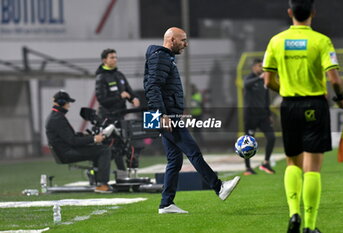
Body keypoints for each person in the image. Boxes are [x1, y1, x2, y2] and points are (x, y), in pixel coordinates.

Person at [263, 1, 343, 232]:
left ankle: (293, 214)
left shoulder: (276, 41)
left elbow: (268, 80)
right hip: (315, 104)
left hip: (289, 104)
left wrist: (287, 90)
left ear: (290, 12)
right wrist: (342, 98)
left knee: (293, 161)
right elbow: (334, 79)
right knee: (313, 167)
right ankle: (310, 226)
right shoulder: (321, 41)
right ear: (313, 13)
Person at [143, 27, 241, 214]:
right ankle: (219, 187)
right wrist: (162, 114)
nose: (186, 44)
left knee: (174, 160)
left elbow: (161, 88)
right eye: (183, 40)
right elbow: (152, 87)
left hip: (167, 114)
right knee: (193, 151)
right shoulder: (160, 57)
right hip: (166, 116)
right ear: (171, 40)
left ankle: (166, 204)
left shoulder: (165, 57)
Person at [45, 90, 113, 193]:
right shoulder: (57, 119)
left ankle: (97, 181)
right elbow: (73, 141)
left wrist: (86, 136)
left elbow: (69, 137)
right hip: (66, 153)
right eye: (68, 103)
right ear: (62, 102)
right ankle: (102, 185)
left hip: (65, 150)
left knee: (98, 149)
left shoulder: (56, 116)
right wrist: (94, 139)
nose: (69, 106)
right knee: (104, 150)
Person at [95, 48, 140, 171]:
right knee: (111, 146)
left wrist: (134, 98)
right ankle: (100, 173)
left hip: (120, 116)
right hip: (107, 117)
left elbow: (129, 91)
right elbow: (102, 100)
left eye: (115, 57)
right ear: (104, 60)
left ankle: (123, 173)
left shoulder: (119, 75)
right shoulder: (101, 77)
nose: (115, 59)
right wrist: (119, 96)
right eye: (111, 57)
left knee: (122, 145)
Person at [243, 58, 276, 175]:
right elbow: (245, 85)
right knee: (248, 142)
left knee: (271, 137)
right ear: (253, 67)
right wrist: (259, 78)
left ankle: (266, 162)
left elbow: (266, 98)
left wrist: (269, 114)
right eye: (258, 66)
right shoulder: (249, 78)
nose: (261, 68)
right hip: (251, 116)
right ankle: (248, 168)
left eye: (262, 66)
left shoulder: (264, 81)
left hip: (263, 116)